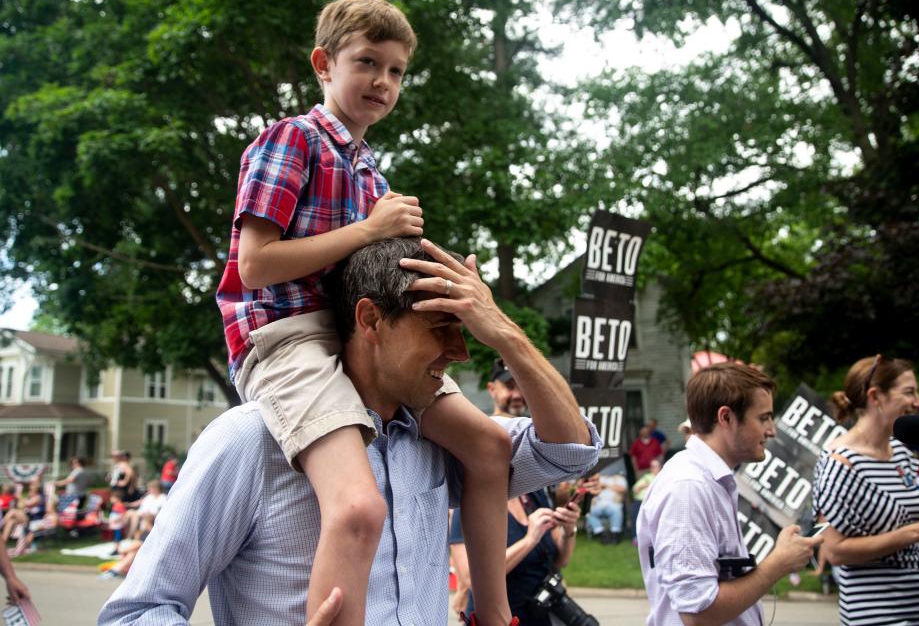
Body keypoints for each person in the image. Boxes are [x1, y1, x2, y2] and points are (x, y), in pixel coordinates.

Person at [99, 237, 600, 626]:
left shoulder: (447, 439)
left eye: (465, 330)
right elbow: (138, 609)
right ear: (370, 319)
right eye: (439, 328)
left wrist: (505, 333)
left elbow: (570, 451)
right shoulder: (248, 442)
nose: (461, 351)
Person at [213, 0, 513, 625]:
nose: (382, 81)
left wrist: (452, 278)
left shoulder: (370, 172)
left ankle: (493, 614)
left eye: (397, 70)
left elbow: (378, 276)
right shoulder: (290, 140)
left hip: (356, 336)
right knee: (357, 508)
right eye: (367, 62)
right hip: (285, 336)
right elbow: (257, 264)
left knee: (489, 447)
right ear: (324, 64)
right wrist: (368, 229)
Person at [637, 362, 821, 625]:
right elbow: (698, 614)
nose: (772, 430)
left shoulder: (710, 480)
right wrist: (778, 564)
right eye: (763, 417)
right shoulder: (688, 487)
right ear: (726, 418)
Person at [813, 355, 919, 625]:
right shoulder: (840, 463)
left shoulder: (901, 452)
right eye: (909, 392)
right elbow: (835, 551)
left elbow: (903, 515)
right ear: (875, 396)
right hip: (877, 614)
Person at [449, 359, 583, 625]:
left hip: (543, 615)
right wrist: (529, 539)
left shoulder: (534, 492)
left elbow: (561, 559)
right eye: (506, 441)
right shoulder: (471, 497)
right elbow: (468, 578)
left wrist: (569, 529)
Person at [585, 470, 628, 544]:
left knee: (616, 510)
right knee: (588, 512)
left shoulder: (619, 478)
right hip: (598, 504)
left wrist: (606, 485)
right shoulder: (598, 478)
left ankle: (615, 535)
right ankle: (601, 534)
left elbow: (623, 489)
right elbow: (588, 488)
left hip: (613, 503)